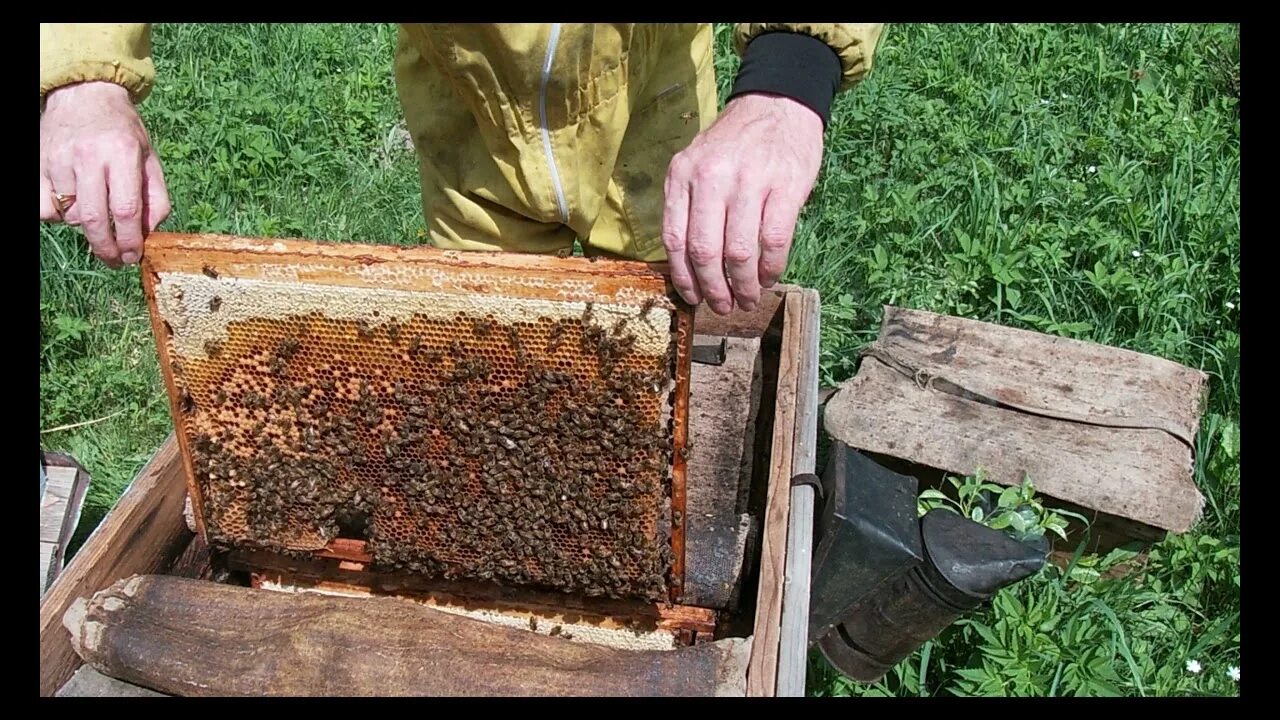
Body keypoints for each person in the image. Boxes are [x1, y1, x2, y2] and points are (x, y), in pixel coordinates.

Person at [39, 23, 882, 315]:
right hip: (468, 114)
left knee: (662, 333)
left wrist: (788, 76)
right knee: (490, 349)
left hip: (649, 103)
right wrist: (82, 76)